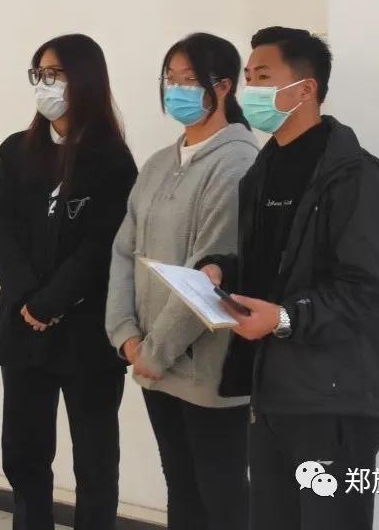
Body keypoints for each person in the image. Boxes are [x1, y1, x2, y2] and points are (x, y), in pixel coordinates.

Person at [200, 26, 379, 530]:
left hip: (333, 401)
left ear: (306, 88)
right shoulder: (260, 174)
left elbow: (365, 290)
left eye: (263, 77)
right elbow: (275, 265)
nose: (251, 90)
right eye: (248, 77)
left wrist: (284, 318)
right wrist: (223, 268)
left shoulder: (354, 177)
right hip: (271, 394)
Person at [105, 33, 259, 530]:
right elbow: (124, 251)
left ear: (224, 86)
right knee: (182, 487)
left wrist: (154, 352)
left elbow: (206, 274)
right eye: (170, 79)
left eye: (189, 80)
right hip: (152, 359)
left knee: (222, 495)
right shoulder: (157, 164)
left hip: (206, 369)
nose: (176, 90)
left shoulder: (238, 162)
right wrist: (125, 334)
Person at [0, 34, 137, 530]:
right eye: (40, 74)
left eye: (55, 74)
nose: (44, 84)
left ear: (85, 79)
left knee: (95, 460)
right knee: (23, 453)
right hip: (22, 325)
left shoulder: (113, 158)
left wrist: (51, 302)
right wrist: (30, 301)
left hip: (87, 331)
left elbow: (103, 244)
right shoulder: (15, 150)